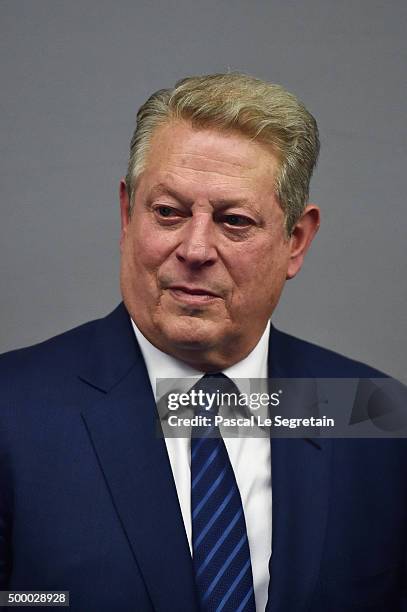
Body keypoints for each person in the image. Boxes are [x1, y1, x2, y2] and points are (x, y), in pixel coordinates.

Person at [0, 73, 406, 612]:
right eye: (167, 212)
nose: (194, 248)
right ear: (127, 214)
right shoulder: (12, 409)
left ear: (296, 241)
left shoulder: (372, 413)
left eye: (234, 221)